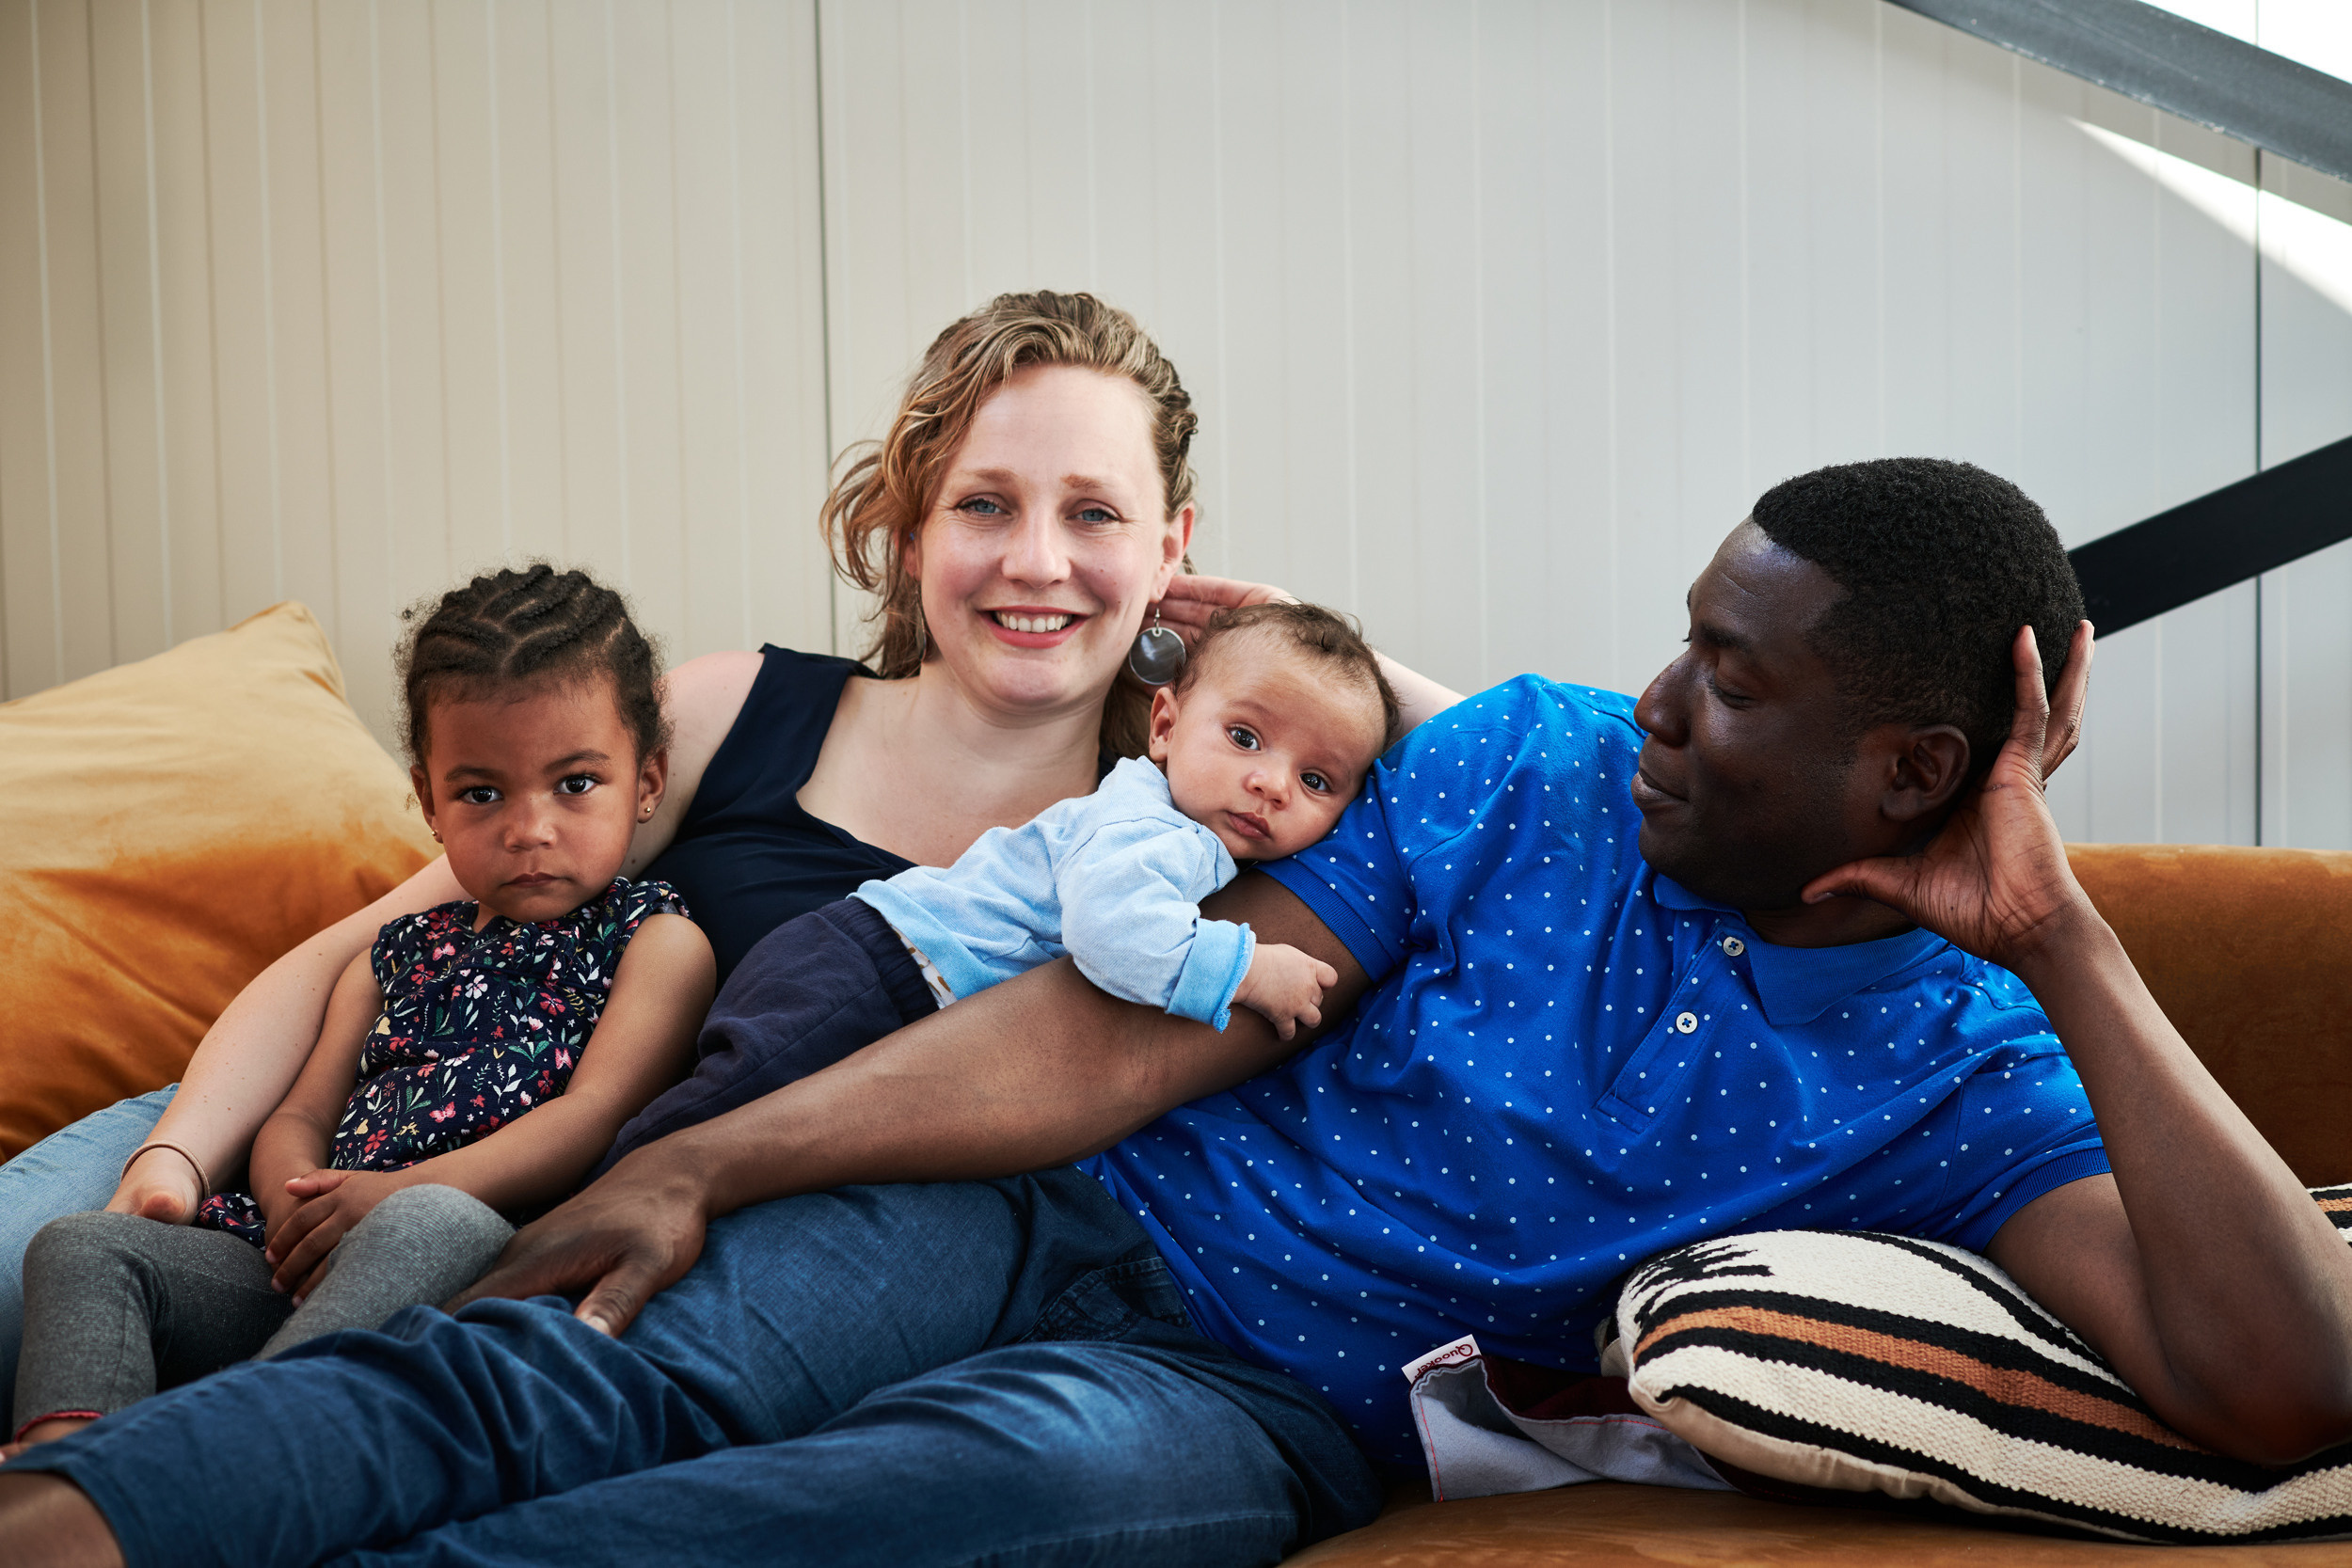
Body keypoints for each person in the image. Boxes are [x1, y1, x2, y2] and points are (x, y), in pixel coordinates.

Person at [12, 457, 2349, 1568]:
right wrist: (705, 1157)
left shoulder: (1962, 1064)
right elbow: (1133, 1029)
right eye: (1682, 637)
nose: (1657, 693)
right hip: (1056, 1201)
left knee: (799, 1523)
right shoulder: (1532, 759)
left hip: (1262, 1397)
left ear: (1911, 772)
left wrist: (2069, 940)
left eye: (1729, 679)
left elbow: (2288, 1379)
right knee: (564, 1358)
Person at [0, 291, 1462, 1404]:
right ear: (910, 533)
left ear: (1172, 547)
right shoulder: (729, 711)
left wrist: (1306, 644)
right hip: (315, 1118)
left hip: (498, 1242)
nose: (1036, 559)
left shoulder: (1205, 846)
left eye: (1095, 514)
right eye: (984, 504)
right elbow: (353, 954)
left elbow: (1523, 794)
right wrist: (177, 1156)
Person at [5, 566, 715, 1453]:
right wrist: (295, 1199)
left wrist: (392, 1195)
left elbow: (591, 1117)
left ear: (647, 781)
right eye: (482, 793)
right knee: (79, 1244)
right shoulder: (393, 955)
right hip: (301, 1255)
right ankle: (59, 1466)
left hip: (473, 1250)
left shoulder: (656, 942)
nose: (529, 828)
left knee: (430, 1221)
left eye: (574, 783)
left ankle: (215, 1456)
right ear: (429, 801)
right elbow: (302, 1111)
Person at [597, 601, 1399, 1174]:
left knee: (770, 1138)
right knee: (718, 1116)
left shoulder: (1186, 830)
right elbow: (1114, 932)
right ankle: (593, 1202)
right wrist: (1247, 968)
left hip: (893, 973)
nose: (1270, 783)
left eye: (1316, 779)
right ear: (1165, 725)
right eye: (1245, 737)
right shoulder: (1151, 827)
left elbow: (1439, 775)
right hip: (873, 968)